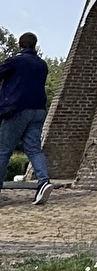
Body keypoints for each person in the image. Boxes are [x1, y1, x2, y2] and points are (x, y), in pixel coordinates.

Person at [0, 32, 52, 205]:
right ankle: (44, 182)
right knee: (34, 149)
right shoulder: (42, 65)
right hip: (38, 110)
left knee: (4, 150)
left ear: (19, 45)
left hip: (17, 109)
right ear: (34, 45)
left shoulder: (16, 61)